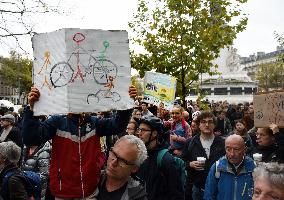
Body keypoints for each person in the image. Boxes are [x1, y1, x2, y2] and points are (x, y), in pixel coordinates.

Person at [22, 86, 137, 199]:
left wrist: (126, 103)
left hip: (90, 192)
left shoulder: (95, 123)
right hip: (62, 194)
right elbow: (31, 139)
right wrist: (31, 109)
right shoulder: (57, 122)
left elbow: (118, 125)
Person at [136, 115, 184, 200]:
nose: (139, 133)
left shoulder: (165, 159)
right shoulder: (138, 154)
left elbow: (176, 193)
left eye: (143, 130)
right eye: (139, 129)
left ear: (154, 133)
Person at [183, 111, 225, 200]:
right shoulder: (190, 143)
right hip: (198, 189)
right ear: (198, 125)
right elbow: (182, 162)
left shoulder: (222, 143)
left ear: (214, 125)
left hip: (219, 188)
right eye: (203, 122)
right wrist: (190, 164)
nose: (207, 125)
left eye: (210, 122)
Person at [95, 135, 148, 200]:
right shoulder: (91, 179)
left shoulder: (137, 196)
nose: (113, 163)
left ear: (135, 168)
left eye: (122, 161)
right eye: (113, 154)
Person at [204, 134, 256, 200]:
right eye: (228, 149)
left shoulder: (253, 168)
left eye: (236, 149)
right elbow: (209, 195)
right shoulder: (217, 167)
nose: (232, 154)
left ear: (244, 150)